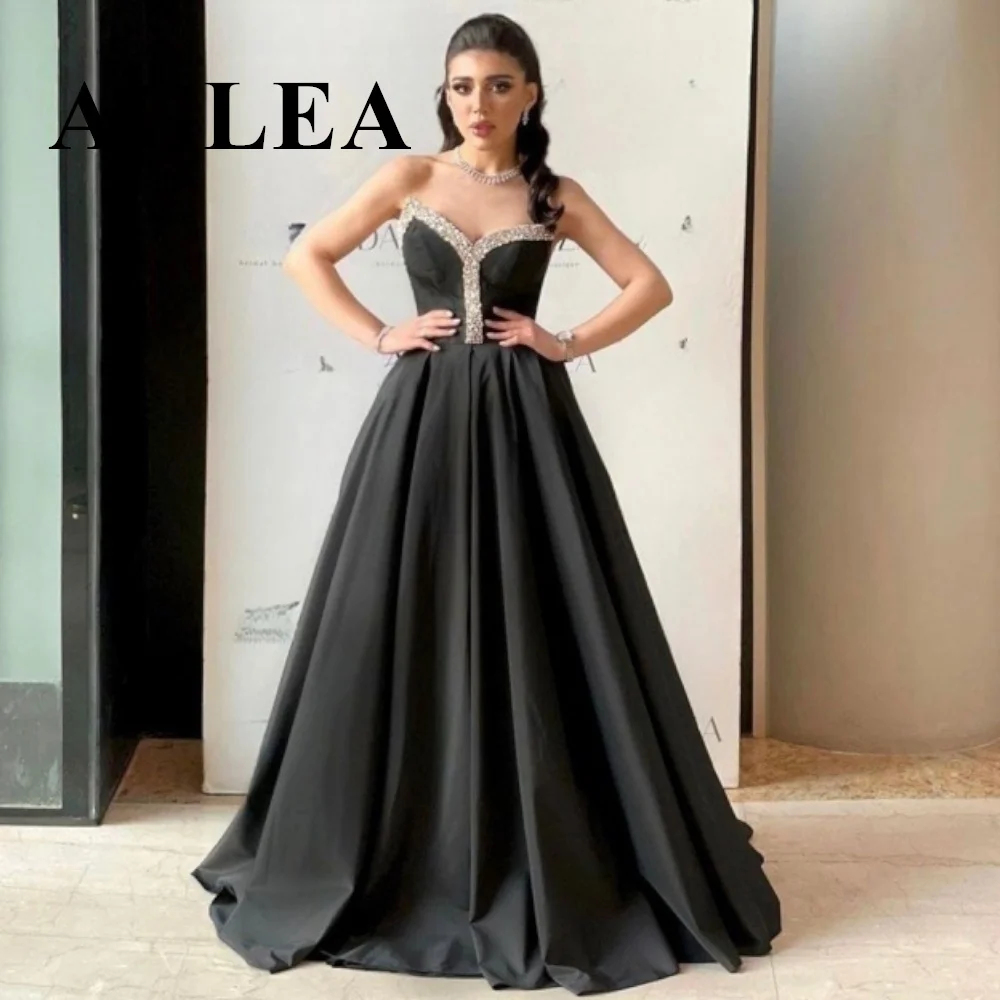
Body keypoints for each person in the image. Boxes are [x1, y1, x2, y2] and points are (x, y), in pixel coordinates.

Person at [192, 12, 781, 995]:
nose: (478, 103)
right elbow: (308, 257)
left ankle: (545, 833)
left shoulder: (554, 195)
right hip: (421, 420)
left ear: (530, 94)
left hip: (523, 422)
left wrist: (564, 340)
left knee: (540, 610)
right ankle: (397, 841)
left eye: (499, 85)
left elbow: (649, 283)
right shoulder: (410, 177)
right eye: (463, 86)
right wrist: (380, 333)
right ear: (445, 93)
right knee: (397, 609)